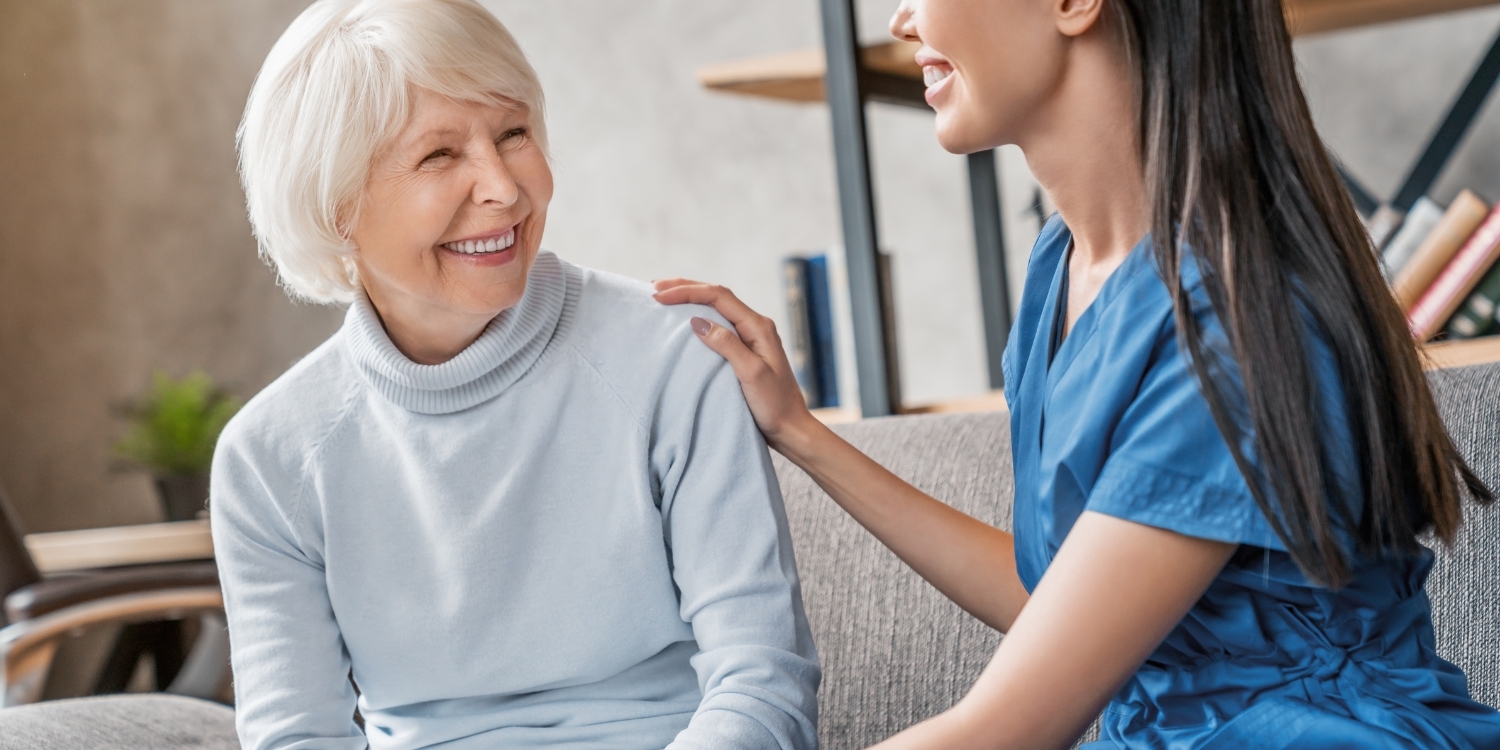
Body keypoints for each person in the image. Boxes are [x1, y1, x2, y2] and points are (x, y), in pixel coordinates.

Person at [654, 0, 1500, 747]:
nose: (901, 20)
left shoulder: (1234, 317)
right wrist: (803, 435)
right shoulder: (1063, 269)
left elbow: (1009, 727)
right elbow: (1056, 608)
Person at [212, 1, 818, 748]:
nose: (503, 187)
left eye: (513, 133)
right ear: (336, 206)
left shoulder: (678, 356)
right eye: (439, 156)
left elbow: (764, 685)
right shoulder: (270, 458)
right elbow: (297, 738)